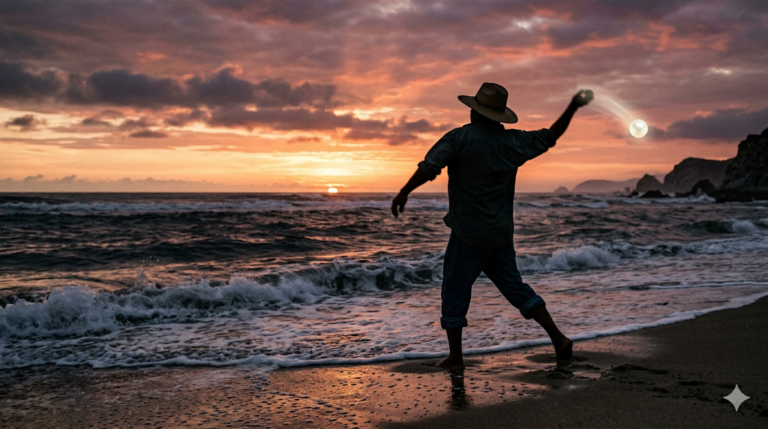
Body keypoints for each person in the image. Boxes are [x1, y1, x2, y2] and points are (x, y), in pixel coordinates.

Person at [390, 82, 593, 370]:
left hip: (468, 235)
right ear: (498, 116)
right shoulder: (513, 143)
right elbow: (550, 136)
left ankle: (456, 357)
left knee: (454, 291)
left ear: (475, 112)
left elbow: (429, 167)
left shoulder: (459, 138)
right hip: (499, 235)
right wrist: (573, 105)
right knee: (516, 289)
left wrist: (404, 191)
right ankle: (559, 338)